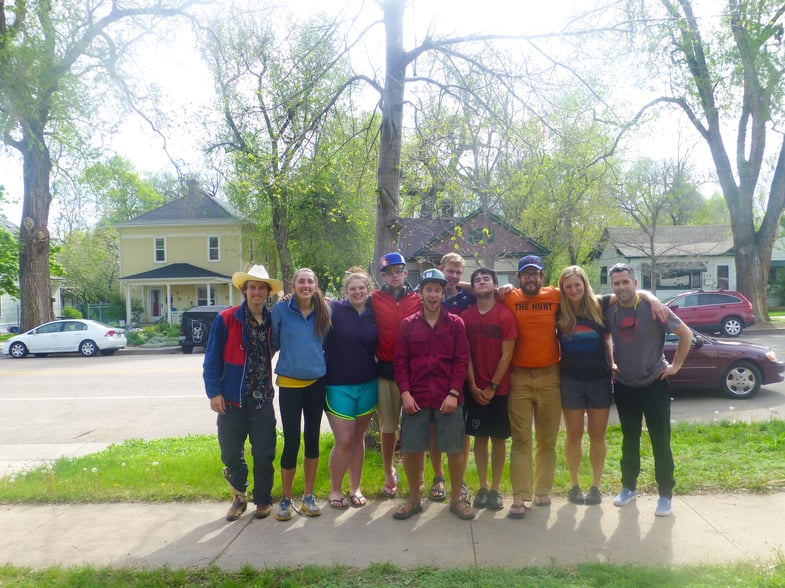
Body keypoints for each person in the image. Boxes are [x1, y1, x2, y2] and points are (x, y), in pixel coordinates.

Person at [603, 263, 692, 518]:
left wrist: (675, 366)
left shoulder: (653, 309)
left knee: (660, 441)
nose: (621, 287)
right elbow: (605, 336)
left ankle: (665, 495)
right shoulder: (610, 310)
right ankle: (628, 488)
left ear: (634, 282)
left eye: (625, 282)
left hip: (655, 384)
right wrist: (612, 362)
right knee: (629, 440)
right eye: (616, 283)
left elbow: (685, 334)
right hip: (625, 386)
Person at [203, 264, 283, 521]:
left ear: (268, 292)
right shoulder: (226, 319)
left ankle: (263, 500)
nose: (257, 292)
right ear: (244, 290)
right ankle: (239, 496)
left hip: (262, 399)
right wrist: (214, 392)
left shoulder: (273, 320)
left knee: (264, 451)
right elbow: (212, 359)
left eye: (261, 288)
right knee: (230, 452)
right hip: (231, 399)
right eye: (252, 287)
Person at [392, 268, 473, 521]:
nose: (433, 295)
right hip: (416, 397)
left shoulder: (456, 324)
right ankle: (414, 500)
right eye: (428, 289)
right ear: (421, 293)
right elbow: (400, 361)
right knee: (412, 449)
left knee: (455, 449)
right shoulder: (408, 325)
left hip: (447, 397)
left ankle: (456, 499)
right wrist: (404, 393)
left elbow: (461, 360)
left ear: (442, 293)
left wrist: (453, 393)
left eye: (437, 290)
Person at [500, 255, 563, 519]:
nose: (530, 278)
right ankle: (519, 496)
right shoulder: (509, 297)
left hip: (550, 376)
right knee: (521, 439)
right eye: (526, 274)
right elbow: (477, 289)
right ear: (518, 277)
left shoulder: (556, 296)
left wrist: (648, 297)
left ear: (542, 275)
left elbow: (588, 295)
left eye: (535, 274)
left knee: (547, 440)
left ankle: (543, 491)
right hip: (520, 378)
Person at [271, 268, 332, 521]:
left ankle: (308, 495)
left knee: (312, 439)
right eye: (301, 281)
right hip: (289, 384)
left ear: (315, 285)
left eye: (310, 282)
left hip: (316, 382)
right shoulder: (281, 309)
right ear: (293, 285)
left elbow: (326, 343)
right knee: (292, 441)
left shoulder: (324, 311)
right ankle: (286, 498)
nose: (306, 286)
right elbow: (273, 341)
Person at [557, 265, 614, 506]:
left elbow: (637, 294)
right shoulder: (558, 310)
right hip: (570, 381)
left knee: (597, 435)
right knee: (574, 435)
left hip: (599, 380)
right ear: (563, 288)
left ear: (585, 284)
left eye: (577, 285)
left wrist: (612, 364)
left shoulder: (601, 305)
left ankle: (596, 486)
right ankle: (575, 485)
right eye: (568, 286)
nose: (573, 290)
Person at [462, 267, 517, 511]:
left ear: (495, 285)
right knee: (480, 439)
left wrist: (493, 387)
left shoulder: (505, 315)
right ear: (472, 287)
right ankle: (482, 486)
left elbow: (507, 355)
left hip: (500, 389)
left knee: (498, 439)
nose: (481, 282)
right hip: (475, 388)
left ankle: (495, 489)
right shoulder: (465, 317)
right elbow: (466, 356)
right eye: (477, 280)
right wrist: (473, 386)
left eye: (486, 279)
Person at [324, 269, 377, 509]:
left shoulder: (374, 313)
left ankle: (355, 487)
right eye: (352, 288)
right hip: (337, 385)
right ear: (346, 291)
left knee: (358, 438)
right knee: (344, 439)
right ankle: (335, 489)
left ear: (368, 290)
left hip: (367, 384)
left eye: (361, 287)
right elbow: (306, 299)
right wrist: (286, 298)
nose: (357, 291)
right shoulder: (334, 309)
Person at [370, 252, 421, 498]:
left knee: (414, 427)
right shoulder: (374, 298)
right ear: (384, 275)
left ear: (405, 272)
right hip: (386, 371)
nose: (394, 276)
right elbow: (348, 302)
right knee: (388, 427)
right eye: (389, 272)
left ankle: (417, 473)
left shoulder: (418, 297)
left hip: (414, 374)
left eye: (398, 271)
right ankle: (390, 471)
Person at [429, 252, 476, 502]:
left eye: (459, 272)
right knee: (435, 428)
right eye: (450, 271)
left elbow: (492, 289)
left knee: (462, 430)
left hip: (461, 369)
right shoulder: (426, 291)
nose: (454, 276)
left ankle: (460, 479)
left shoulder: (468, 297)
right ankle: (438, 477)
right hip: (433, 371)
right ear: (441, 269)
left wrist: (460, 284)